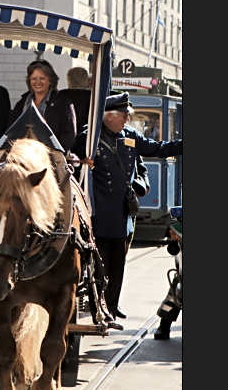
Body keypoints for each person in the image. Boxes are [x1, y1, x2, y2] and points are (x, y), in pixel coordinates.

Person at [71, 92, 183, 324]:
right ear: (109, 116)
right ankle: (99, 308)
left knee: (118, 263)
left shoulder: (130, 135)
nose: (127, 120)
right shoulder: (89, 138)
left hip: (122, 211)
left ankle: (112, 306)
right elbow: (70, 161)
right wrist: (79, 161)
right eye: (124, 115)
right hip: (98, 210)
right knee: (99, 263)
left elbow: (158, 148)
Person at [8, 59, 77, 151]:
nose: (38, 82)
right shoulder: (22, 103)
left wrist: (53, 152)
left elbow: (69, 135)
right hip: (23, 154)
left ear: (50, 80)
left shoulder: (63, 103)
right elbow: (10, 131)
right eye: (34, 78)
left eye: (42, 78)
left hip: (51, 157)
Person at [58, 66, 91, 134]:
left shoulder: (59, 96)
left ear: (68, 80)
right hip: (87, 136)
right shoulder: (93, 97)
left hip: (64, 136)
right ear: (86, 80)